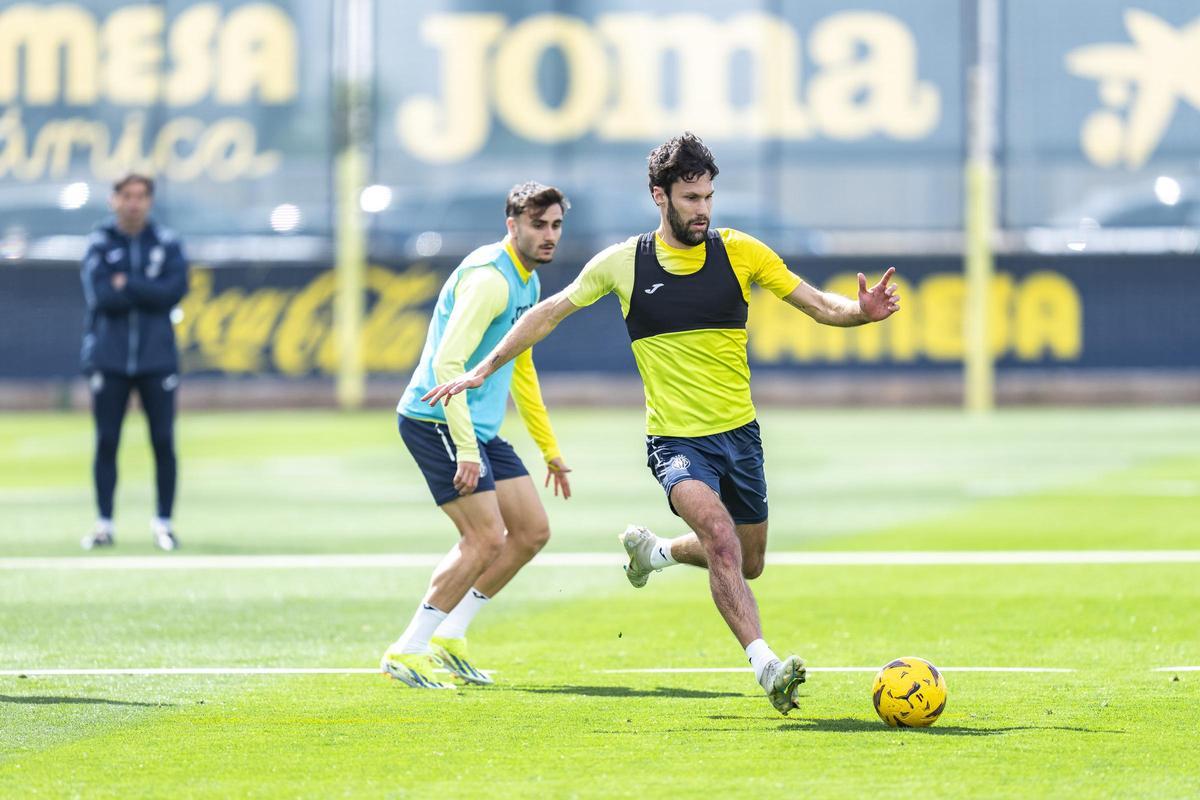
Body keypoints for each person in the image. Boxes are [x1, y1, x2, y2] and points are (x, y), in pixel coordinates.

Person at [423, 134, 900, 714]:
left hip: (740, 436)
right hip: (675, 442)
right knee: (720, 538)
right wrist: (482, 369)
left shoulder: (740, 252)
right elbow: (547, 314)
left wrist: (861, 312)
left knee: (749, 561)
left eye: (708, 197)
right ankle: (766, 665)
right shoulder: (626, 263)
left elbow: (819, 304)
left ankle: (656, 554)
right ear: (660, 196)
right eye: (691, 198)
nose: (703, 209)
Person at [382, 181, 573, 689]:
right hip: (437, 419)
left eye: (555, 225)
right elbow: (448, 361)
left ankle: (451, 633)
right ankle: (408, 648)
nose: (549, 235)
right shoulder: (492, 280)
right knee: (485, 537)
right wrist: (466, 449)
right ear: (512, 226)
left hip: (479, 428)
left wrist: (549, 449)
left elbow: (522, 367)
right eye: (538, 225)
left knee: (531, 531)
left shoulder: (527, 281)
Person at [80, 174, 189, 552]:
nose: (133, 203)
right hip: (109, 358)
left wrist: (130, 283)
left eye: (141, 196)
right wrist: (146, 289)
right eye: (127, 195)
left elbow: (173, 293)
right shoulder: (99, 243)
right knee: (107, 441)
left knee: (162, 441)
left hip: (156, 358)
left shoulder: (167, 243)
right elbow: (102, 296)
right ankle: (104, 523)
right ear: (113, 200)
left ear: (150, 201)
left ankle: (164, 522)